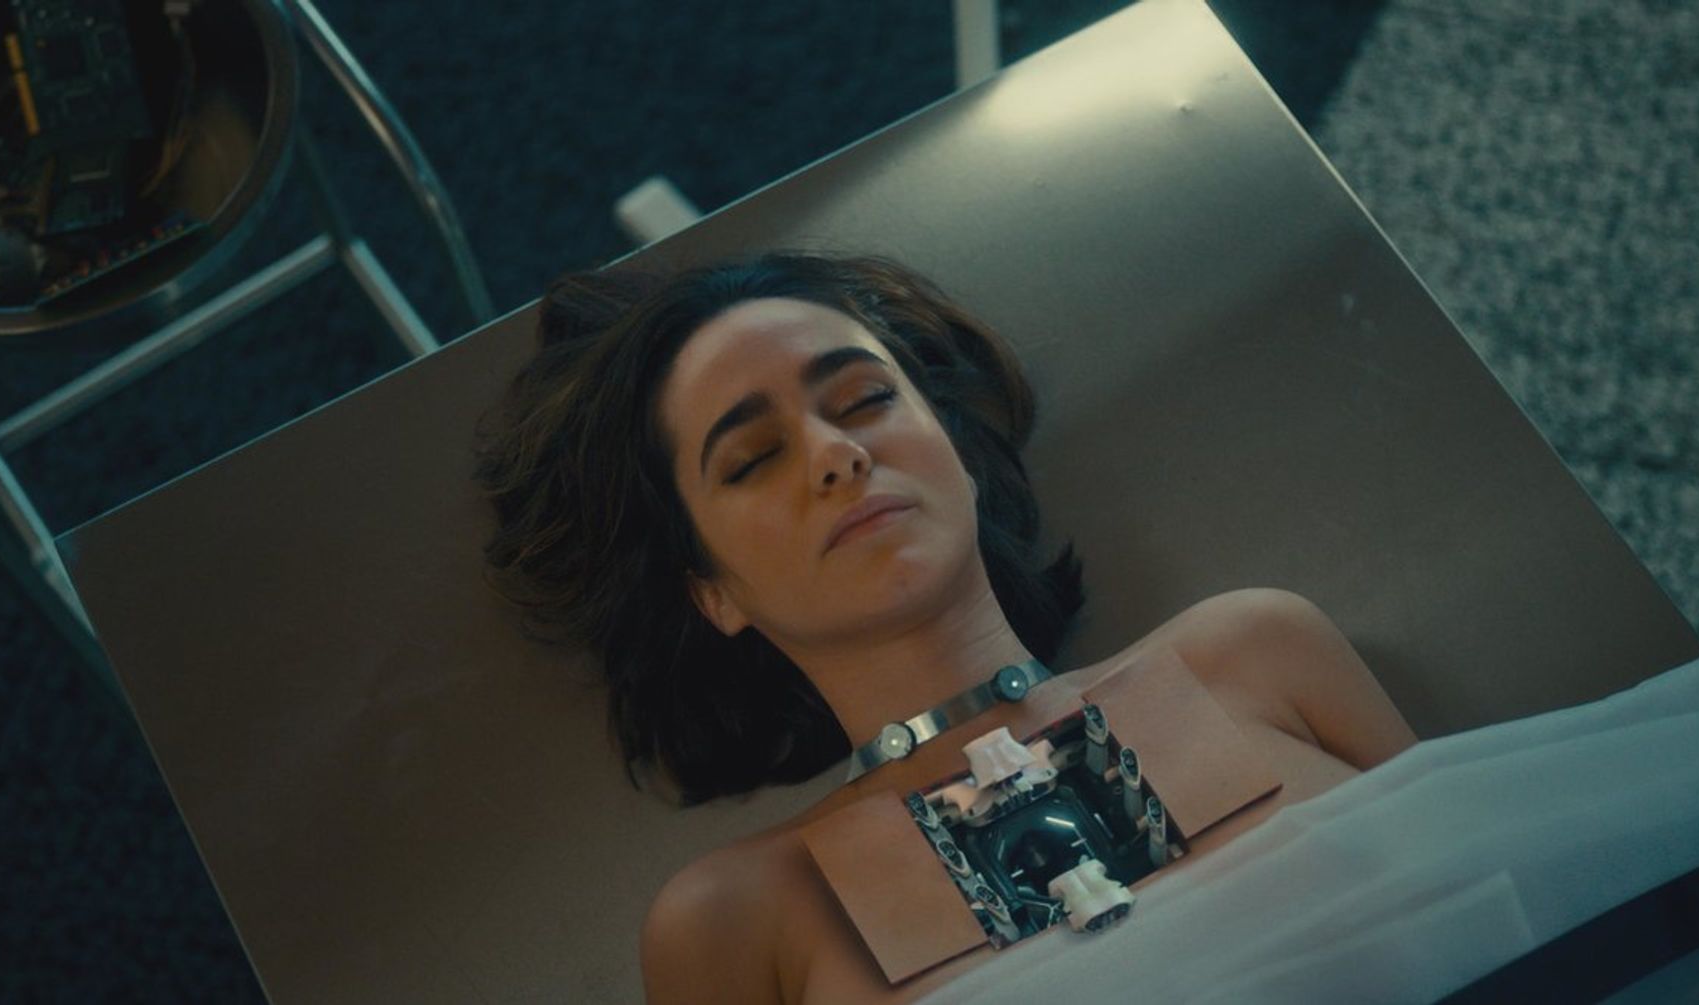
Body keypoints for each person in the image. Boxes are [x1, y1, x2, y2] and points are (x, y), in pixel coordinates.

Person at [474, 253, 1417, 1003]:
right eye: (754, 457)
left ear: (957, 452)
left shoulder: (1253, 652)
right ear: (711, 591)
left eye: (865, 400)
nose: (837, 453)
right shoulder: (737, 918)